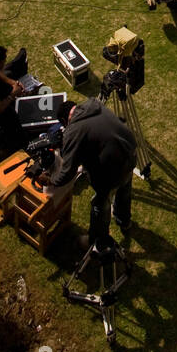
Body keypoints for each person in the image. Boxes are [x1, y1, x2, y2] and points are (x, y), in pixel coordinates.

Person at [52, 98, 137, 250]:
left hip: (112, 172)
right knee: (125, 189)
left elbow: (67, 172)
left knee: (99, 205)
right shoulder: (95, 105)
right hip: (129, 155)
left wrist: (51, 180)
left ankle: (96, 240)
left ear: (65, 121)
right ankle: (125, 221)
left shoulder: (74, 130)